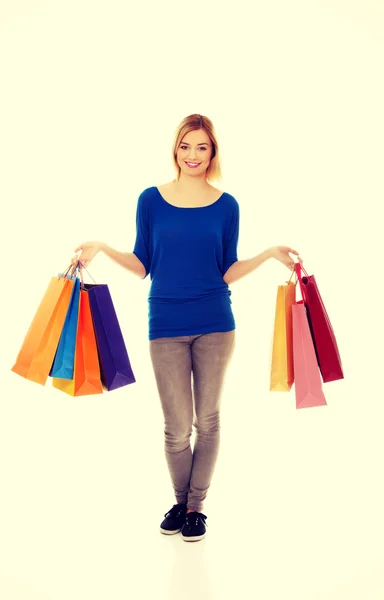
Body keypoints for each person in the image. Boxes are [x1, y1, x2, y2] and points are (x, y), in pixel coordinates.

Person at [72, 113, 302, 543]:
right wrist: (101, 248)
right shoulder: (150, 200)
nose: (193, 154)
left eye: (202, 147)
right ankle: (180, 502)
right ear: (175, 149)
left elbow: (227, 269)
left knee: (208, 420)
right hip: (165, 324)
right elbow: (143, 264)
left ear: (212, 152)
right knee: (176, 426)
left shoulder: (227, 203)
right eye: (185, 146)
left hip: (216, 323)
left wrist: (270, 254)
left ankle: (196, 508)